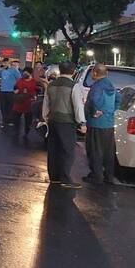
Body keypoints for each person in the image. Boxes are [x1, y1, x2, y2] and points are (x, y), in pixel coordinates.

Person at [42, 61, 86, 189]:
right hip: (67, 122)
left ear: (60, 70)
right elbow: (78, 106)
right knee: (67, 150)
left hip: (53, 120)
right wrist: (81, 122)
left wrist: (46, 118)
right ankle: (65, 178)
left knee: (53, 149)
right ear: (73, 71)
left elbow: (46, 105)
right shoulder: (74, 86)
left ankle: (54, 177)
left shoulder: (51, 85)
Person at [83, 64, 121, 184]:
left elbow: (94, 100)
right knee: (108, 151)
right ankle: (109, 176)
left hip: (96, 123)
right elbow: (119, 99)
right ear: (107, 73)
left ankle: (96, 175)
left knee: (95, 150)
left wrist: (96, 111)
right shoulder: (111, 85)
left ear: (94, 73)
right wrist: (110, 111)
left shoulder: (97, 86)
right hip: (109, 123)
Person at [12, 66, 37, 136]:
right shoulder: (20, 80)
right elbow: (15, 88)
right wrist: (15, 91)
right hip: (19, 102)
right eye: (24, 72)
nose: (24, 74)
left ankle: (26, 132)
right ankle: (16, 131)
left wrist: (35, 96)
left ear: (30, 74)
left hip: (29, 104)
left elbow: (37, 90)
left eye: (26, 73)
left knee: (28, 120)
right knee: (16, 118)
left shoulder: (34, 82)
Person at [0, 60, 22, 127]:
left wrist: (18, 89)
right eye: (4, 63)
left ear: (9, 63)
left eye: (6, 63)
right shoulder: (2, 70)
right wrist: (0, 68)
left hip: (11, 91)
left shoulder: (14, 70)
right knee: (3, 107)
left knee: (11, 107)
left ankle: (10, 120)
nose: (5, 64)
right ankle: (4, 120)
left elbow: (20, 79)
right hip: (3, 91)